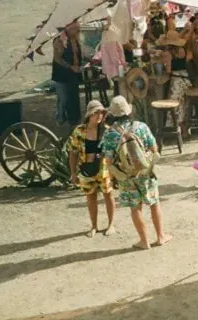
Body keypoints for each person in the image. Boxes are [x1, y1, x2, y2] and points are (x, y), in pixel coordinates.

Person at [101, 96, 167, 250]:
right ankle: (160, 237)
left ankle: (144, 241)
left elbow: (108, 161)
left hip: (126, 176)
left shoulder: (109, 134)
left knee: (135, 208)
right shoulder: (141, 127)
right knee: (154, 204)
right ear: (128, 111)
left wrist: (117, 176)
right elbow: (154, 149)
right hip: (146, 172)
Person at [67, 100, 116, 239]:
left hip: (103, 168)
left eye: (101, 112)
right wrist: (72, 172)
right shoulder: (79, 131)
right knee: (90, 197)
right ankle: (94, 226)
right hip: (85, 168)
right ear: (90, 114)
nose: (99, 115)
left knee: (108, 195)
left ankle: (111, 224)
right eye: (96, 113)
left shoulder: (106, 130)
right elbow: (73, 152)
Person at [51, 21, 83, 127]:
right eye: (76, 29)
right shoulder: (60, 40)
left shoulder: (75, 38)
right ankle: (60, 118)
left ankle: (74, 119)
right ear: (68, 28)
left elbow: (77, 53)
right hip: (62, 74)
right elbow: (57, 59)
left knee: (73, 97)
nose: (78, 31)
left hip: (73, 74)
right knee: (63, 99)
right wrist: (70, 67)